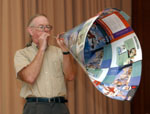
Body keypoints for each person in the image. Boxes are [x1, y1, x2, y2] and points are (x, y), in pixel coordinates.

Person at [14, 14, 75, 114]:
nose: (46, 30)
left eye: (48, 27)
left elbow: (70, 76)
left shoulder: (59, 52)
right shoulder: (22, 54)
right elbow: (29, 77)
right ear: (30, 31)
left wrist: (65, 51)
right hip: (35, 107)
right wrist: (42, 48)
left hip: (59, 107)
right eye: (41, 27)